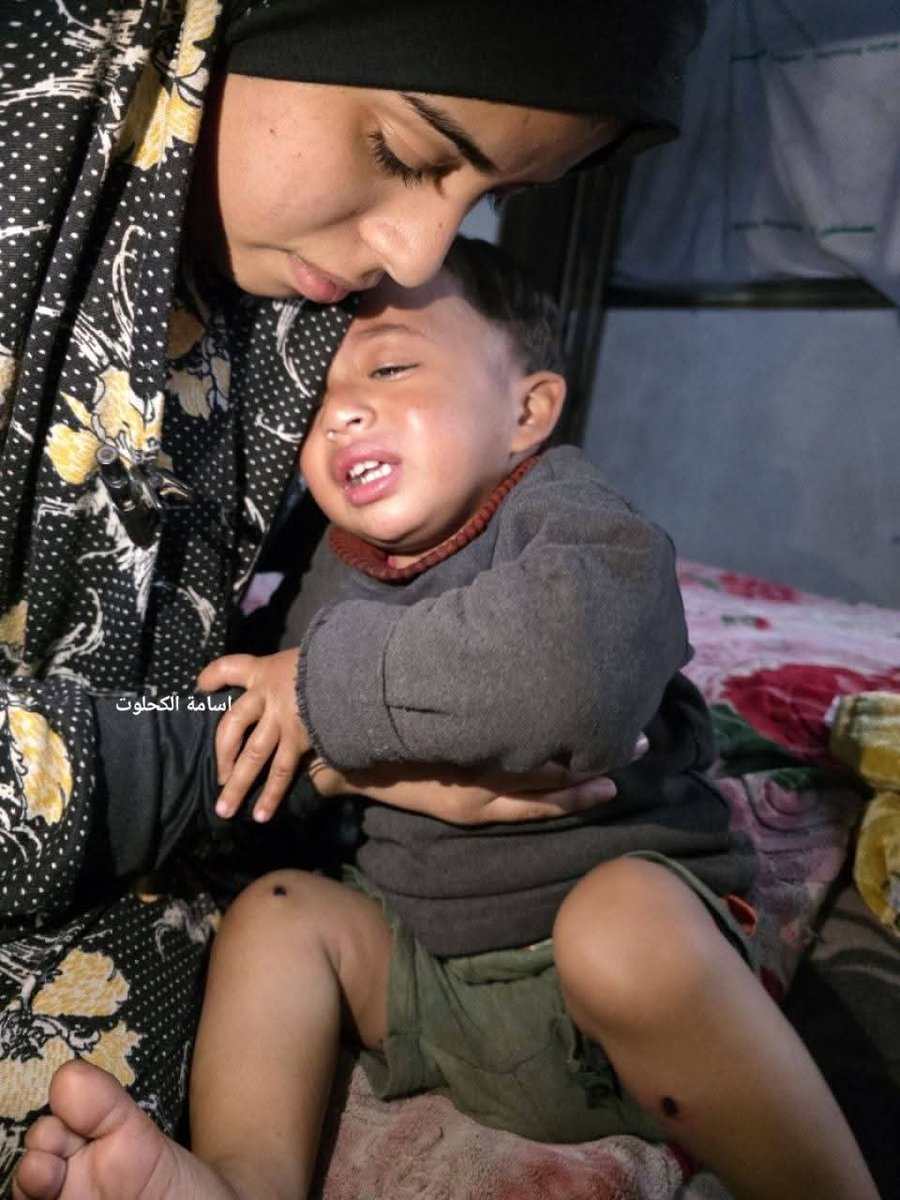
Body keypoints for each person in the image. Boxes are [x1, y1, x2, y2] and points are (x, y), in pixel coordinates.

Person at [0, 0, 706, 1187]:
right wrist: (331, 754)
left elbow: (584, 644)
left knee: (642, 929)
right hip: (372, 936)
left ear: (533, 409)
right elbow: (273, 687)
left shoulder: (287, 328)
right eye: (400, 148)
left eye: (484, 197)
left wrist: (321, 720)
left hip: (563, 929)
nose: (418, 257)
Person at [13, 239, 879, 1200]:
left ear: (526, 411)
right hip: (430, 975)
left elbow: (573, 676)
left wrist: (317, 690)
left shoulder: (567, 514)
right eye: (318, 399)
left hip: (614, 968)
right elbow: (268, 737)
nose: (343, 411)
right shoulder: (327, 563)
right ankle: (242, 1178)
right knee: (277, 916)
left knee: (620, 924)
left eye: (390, 368)